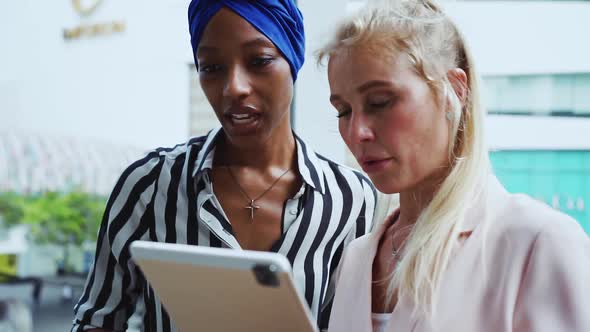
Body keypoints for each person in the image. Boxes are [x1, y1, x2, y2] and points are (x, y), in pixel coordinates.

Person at [72, 1, 377, 331]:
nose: (234, 88)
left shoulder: (352, 199)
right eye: (212, 67)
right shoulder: (149, 186)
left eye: (258, 61)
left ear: (293, 59)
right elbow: (95, 322)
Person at [316, 0, 590, 331]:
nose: (357, 132)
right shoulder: (356, 259)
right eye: (343, 111)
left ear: (455, 90)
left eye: (380, 102)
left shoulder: (539, 243)